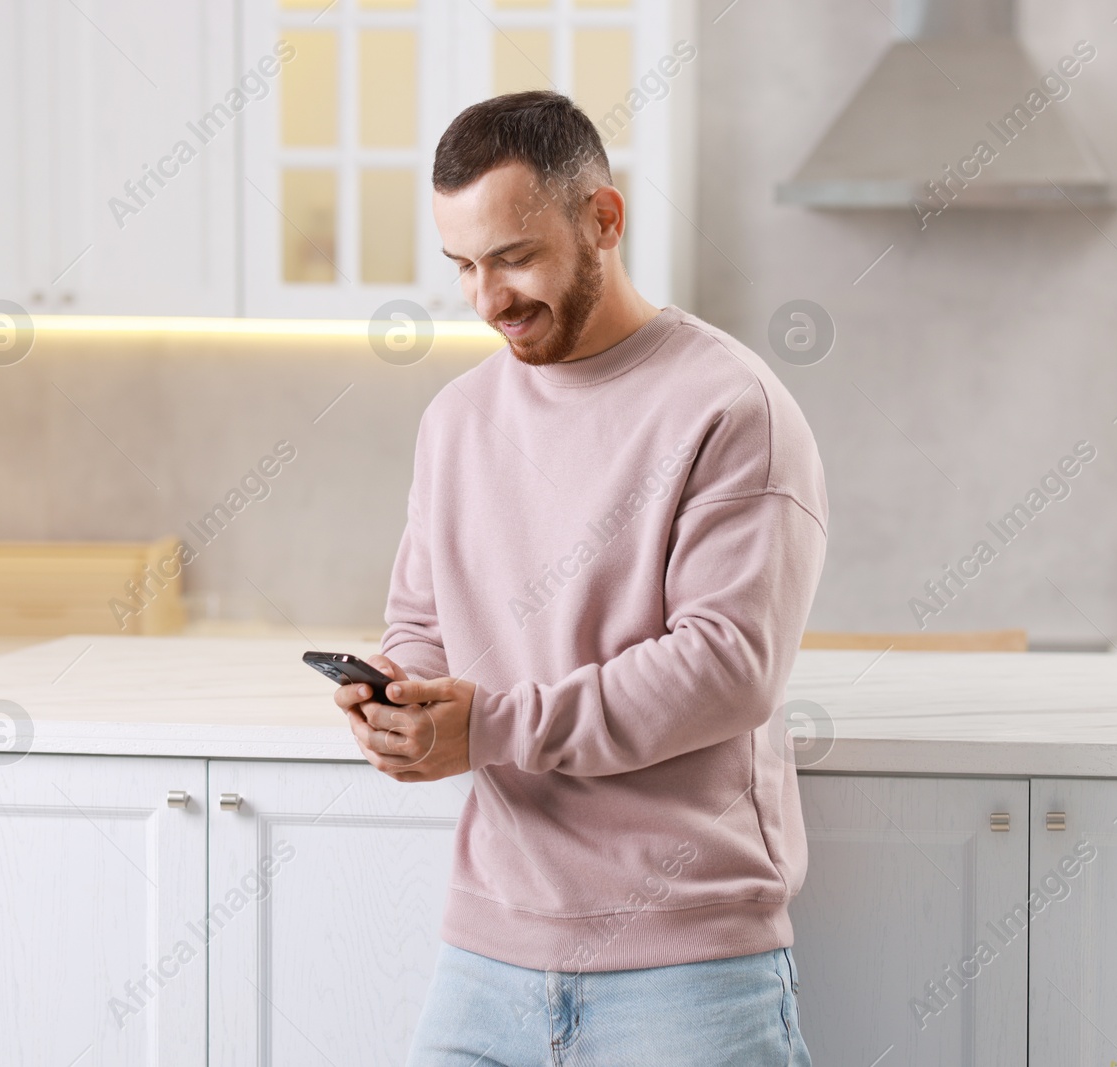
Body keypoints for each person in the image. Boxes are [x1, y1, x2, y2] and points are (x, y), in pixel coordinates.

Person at [332, 89, 827, 1066]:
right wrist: (402, 702)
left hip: (686, 968)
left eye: (514, 257)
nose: (488, 298)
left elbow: (726, 668)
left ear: (603, 217)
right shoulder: (457, 419)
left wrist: (489, 725)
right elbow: (424, 622)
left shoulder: (729, 408)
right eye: (464, 266)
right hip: (486, 953)